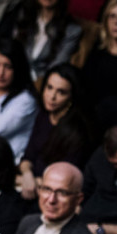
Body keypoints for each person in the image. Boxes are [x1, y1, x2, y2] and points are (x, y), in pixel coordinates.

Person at [17, 64, 91, 200]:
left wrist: (27, 181)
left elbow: (63, 180)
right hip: (28, 183)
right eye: (49, 87)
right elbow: (28, 156)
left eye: (61, 92)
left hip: (52, 194)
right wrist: (26, 174)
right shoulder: (44, 115)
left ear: (72, 97)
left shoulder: (77, 131)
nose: (52, 96)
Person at [15, 0, 81, 82]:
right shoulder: (25, 16)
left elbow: (55, 68)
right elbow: (12, 51)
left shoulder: (72, 30)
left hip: (39, 84)